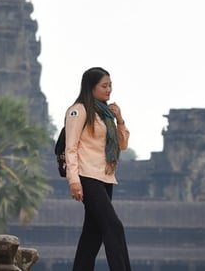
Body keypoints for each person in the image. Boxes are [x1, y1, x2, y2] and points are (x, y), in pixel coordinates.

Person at [64, 66, 132, 271]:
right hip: (86, 176)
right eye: (104, 85)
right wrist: (73, 180)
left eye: (110, 85)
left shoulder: (105, 115)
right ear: (91, 87)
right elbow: (71, 147)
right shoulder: (78, 111)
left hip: (105, 177)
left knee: (92, 235)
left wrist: (119, 119)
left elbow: (122, 145)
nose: (109, 89)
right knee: (113, 226)